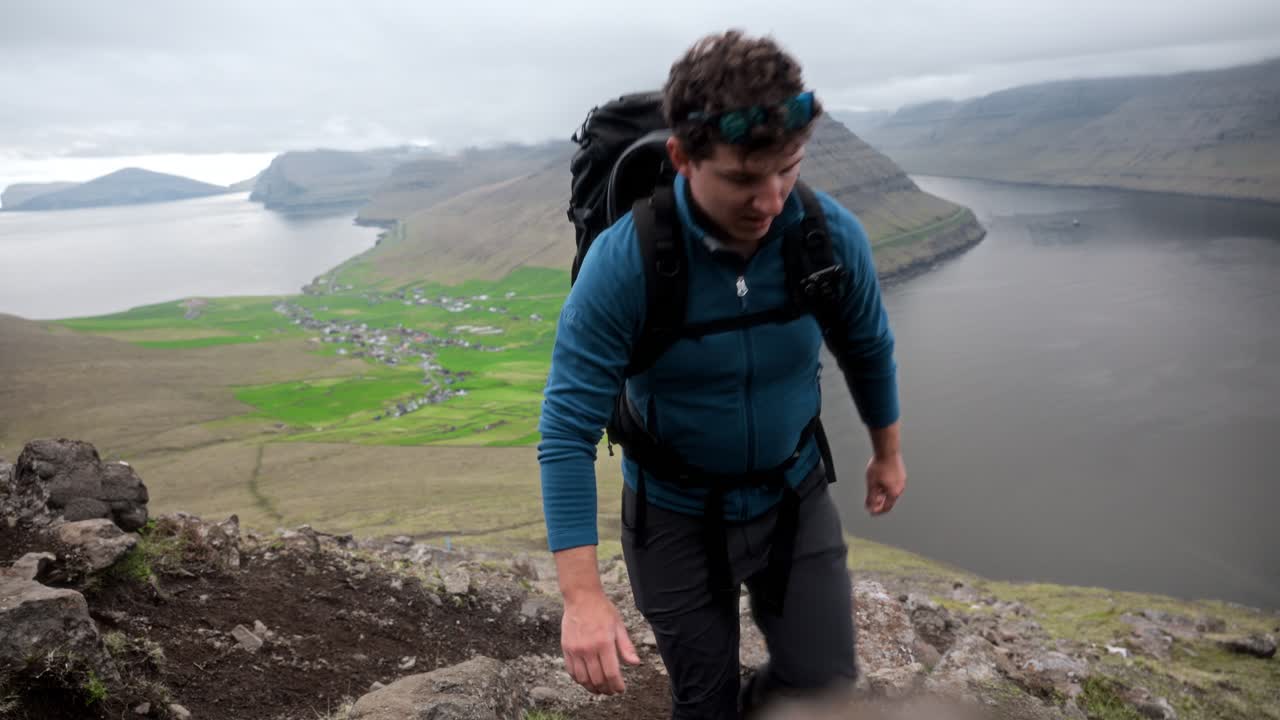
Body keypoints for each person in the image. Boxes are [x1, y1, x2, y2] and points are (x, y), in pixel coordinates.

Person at [538, 29, 907, 719]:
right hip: (672, 517)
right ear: (683, 157)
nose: (770, 200)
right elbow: (565, 432)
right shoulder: (626, 265)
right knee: (703, 703)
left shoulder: (827, 238)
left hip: (794, 496)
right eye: (743, 177)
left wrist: (887, 452)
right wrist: (583, 599)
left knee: (821, 686)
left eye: (788, 169)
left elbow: (868, 346)